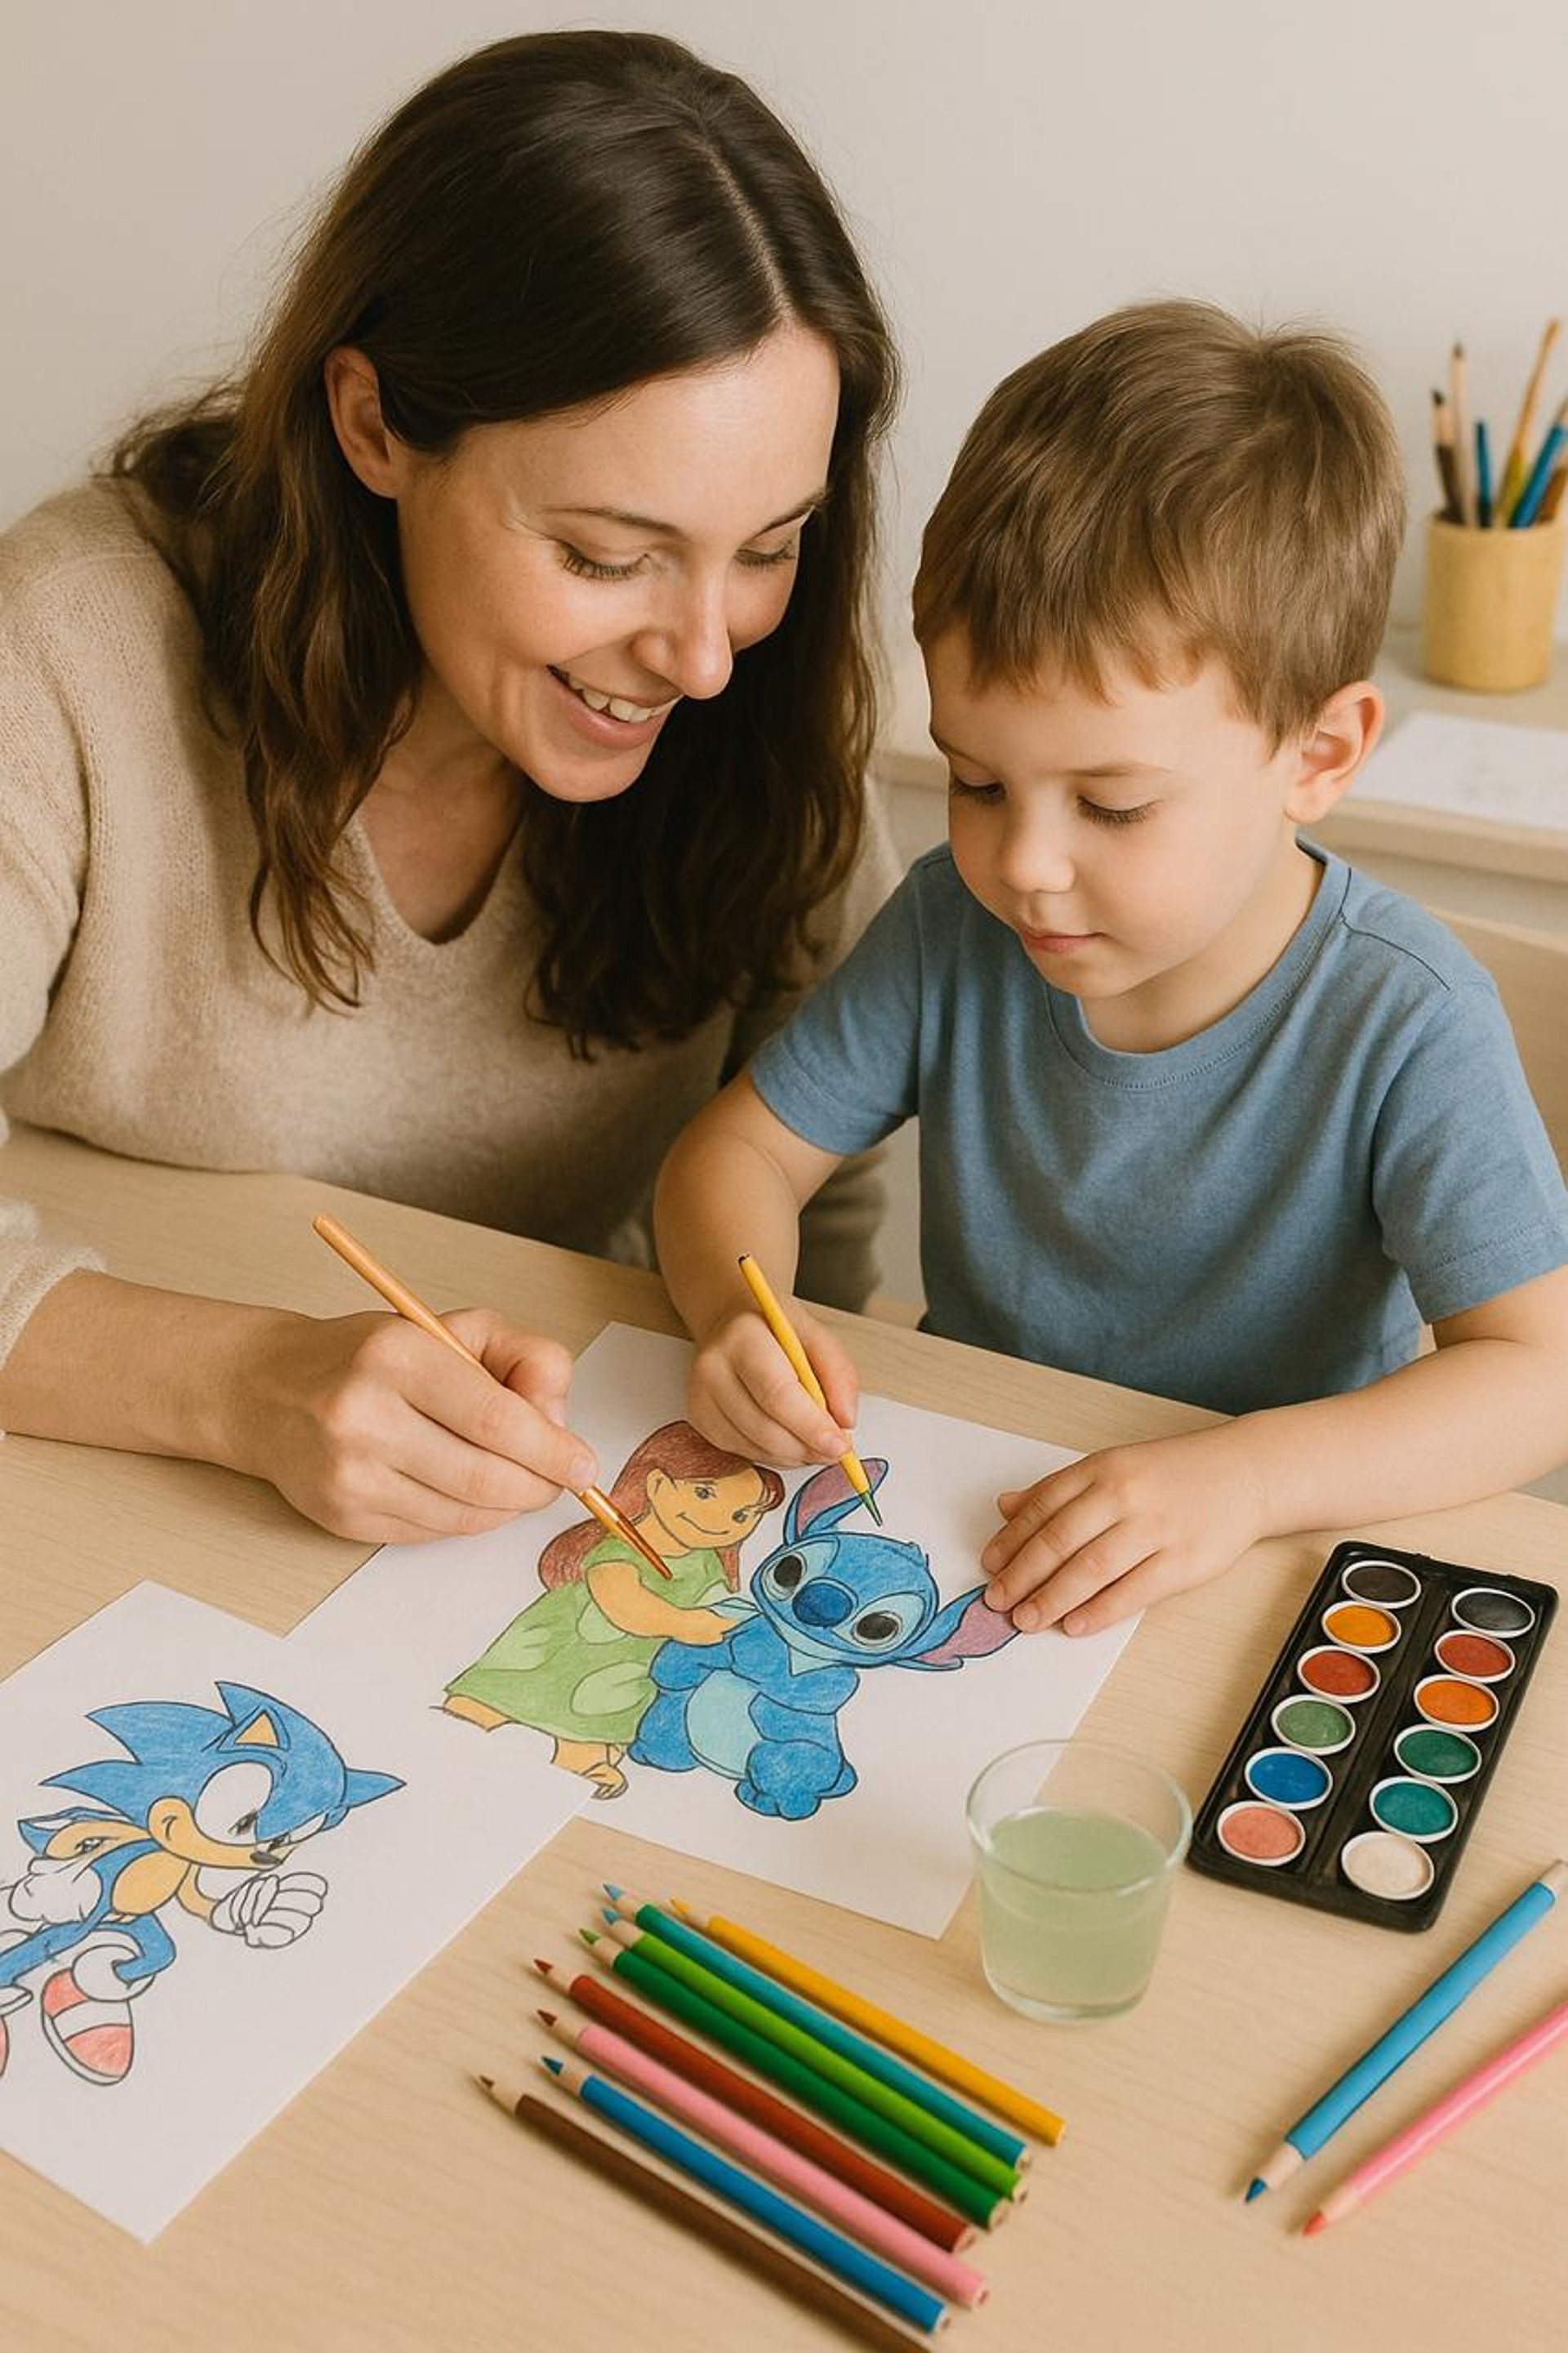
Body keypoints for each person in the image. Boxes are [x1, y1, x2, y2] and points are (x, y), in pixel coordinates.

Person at [0, 32, 900, 1544]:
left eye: (767, 547)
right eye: (604, 555)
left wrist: (782, 1372)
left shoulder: (769, 706)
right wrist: (241, 1383)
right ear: (374, 426)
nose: (702, 659)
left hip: (499, 1525)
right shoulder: (71, 643)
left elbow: (825, 1194)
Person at [654, 300, 1568, 1638]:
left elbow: (1539, 1375)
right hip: (980, 1514)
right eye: (977, 781)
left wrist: (1245, 1478)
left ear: (1318, 756)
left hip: (1263, 1562)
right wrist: (742, 1313)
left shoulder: (1407, 1019)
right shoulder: (952, 925)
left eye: (1112, 804)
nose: (1024, 863)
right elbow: (733, 1157)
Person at [443, 1421, 782, 1797]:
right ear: (657, 1485)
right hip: (564, 1646)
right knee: (512, 1691)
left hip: (625, 1665)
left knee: (602, 1709)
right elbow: (622, 1603)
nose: (721, 1523)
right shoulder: (620, 1546)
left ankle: (582, 1758)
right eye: (704, 1494)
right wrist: (681, 1622)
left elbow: (721, 1603)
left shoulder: (707, 1564)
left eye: (741, 1516)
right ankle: (474, 1715)